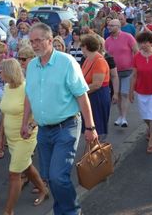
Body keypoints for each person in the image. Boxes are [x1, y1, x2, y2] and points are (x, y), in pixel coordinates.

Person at [21, 23, 98, 215]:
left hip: (67, 126)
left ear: (50, 40)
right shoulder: (31, 66)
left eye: (38, 40)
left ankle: (72, 211)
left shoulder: (67, 62)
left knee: (58, 176)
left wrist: (90, 128)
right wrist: (25, 123)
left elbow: (82, 95)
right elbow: (29, 96)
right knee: (49, 176)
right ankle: (60, 210)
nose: (34, 45)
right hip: (44, 130)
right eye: (32, 41)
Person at [0, 59, 48, 215]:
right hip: (11, 137)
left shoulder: (27, 88)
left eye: (1, 71)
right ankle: (43, 190)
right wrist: (1, 135)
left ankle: (8, 211)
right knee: (26, 166)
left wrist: (30, 126)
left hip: (25, 137)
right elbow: (4, 112)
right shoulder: (6, 87)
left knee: (14, 173)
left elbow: (40, 112)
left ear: (9, 72)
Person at [129, 31, 152, 154]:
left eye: (145, 42)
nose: (143, 45)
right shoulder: (137, 57)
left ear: (151, 42)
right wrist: (131, 91)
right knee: (146, 116)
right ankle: (150, 129)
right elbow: (134, 75)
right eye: (141, 43)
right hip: (141, 90)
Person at [105, 18, 138, 128]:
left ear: (118, 26)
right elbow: (106, 55)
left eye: (111, 25)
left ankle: (124, 117)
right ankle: (120, 115)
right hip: (114, 72)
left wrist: (135, 66)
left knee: (124, 94)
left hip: (128, 70)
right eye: (108, 25)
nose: (109, 27)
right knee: (117, 95)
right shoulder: (107, 40)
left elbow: (136, 51)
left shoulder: (128, 36)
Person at [80, 34, 111, 141]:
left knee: (97, 126)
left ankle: (97, 154)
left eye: (82, 46)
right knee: (90, 127)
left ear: (86, 46)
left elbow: (97, 84)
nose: (81, 48)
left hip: (98, 97)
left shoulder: (99, 61)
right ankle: (91, 154)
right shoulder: (88, 59)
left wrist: (80, 92)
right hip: (90, 96)